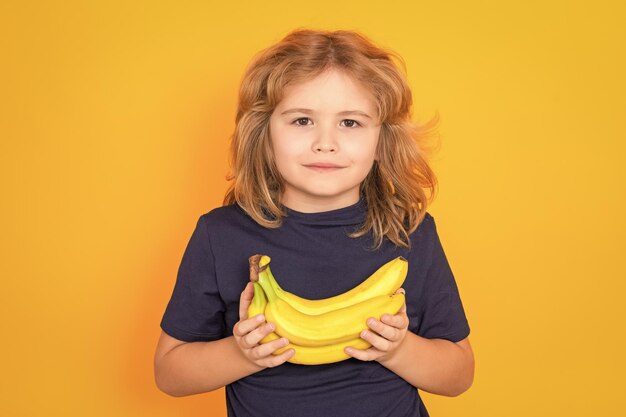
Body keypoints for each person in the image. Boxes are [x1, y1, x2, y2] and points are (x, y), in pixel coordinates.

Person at [154, 28, 474, 417]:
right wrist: (242, 353)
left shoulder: (410, 231)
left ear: (381, 140)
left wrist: (399, 348)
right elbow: (169, 374)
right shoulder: (220, 235)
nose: (326, 142)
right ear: (265, 134)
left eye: (351, 123)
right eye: (302, 120)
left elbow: (459, 375)